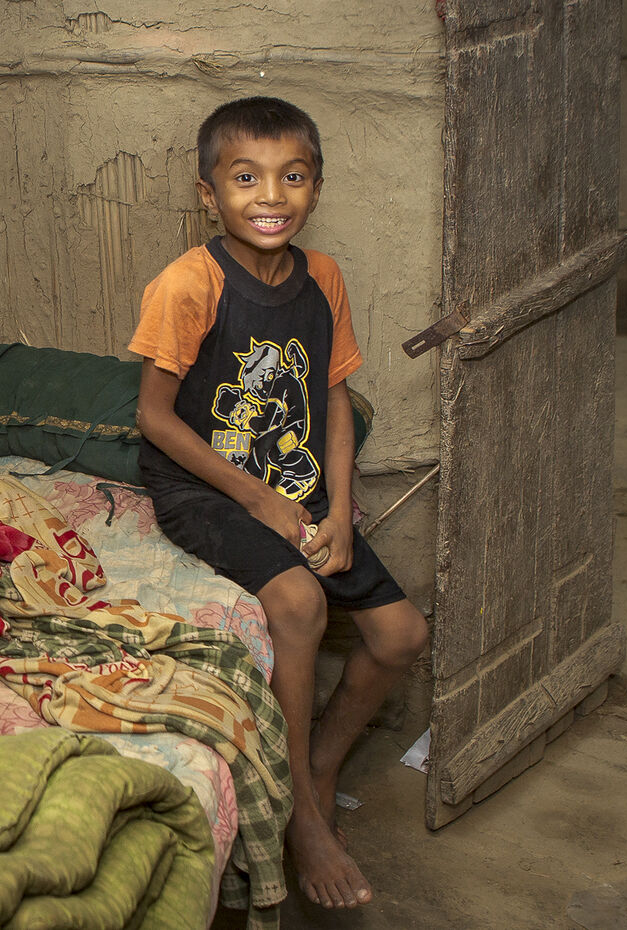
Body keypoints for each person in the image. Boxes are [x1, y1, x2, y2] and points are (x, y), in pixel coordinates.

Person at [129, 96, 430, 910]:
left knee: (402, 635)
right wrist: (259, 499)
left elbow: (333, 397)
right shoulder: (189, 283)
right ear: (209, 194)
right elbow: (154, 417)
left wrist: (340, 511)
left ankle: (321, 766)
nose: (271, 196)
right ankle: (296, 810)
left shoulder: (322, 277)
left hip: (296, 489)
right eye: (246, 178)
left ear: (316, 188)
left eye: (292, 177)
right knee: (298, 602)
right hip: (204, 489)